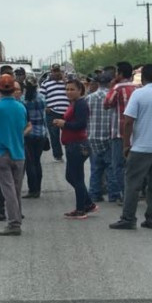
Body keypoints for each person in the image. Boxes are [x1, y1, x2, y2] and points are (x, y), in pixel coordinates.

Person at [110, 64, 152, 231]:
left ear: (143, 77)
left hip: (141, 147)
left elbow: (128, 121)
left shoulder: (138, 94)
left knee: (132, 183)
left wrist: (126, 144)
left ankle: (128, 218)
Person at [0, 74, 29, 236]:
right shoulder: (21, 108)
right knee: (16, 189)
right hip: (19, 153)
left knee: (8, 190)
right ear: (13, 89)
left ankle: (13, 223)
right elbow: (24, 126)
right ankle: (17, 219)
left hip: (1, 153)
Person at [54, 78, 94, 218]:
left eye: (72, 89)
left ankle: (81, 209)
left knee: (75, 177)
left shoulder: (81, 104)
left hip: (78, 144)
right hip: (72, 144)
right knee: (72, 176)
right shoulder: (74, 104)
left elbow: (81, 124)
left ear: (80, 90)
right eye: (67, 89)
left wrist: (64, 124)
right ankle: (88, 203)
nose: (69, 92)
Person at [104, 61, 137, 201]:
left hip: (119, 132)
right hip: (136, 132)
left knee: (118, 165)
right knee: (134, 165)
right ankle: (136, 191)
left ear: (121, 74)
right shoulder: (137, 88)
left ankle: (125, 194)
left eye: (117, 72)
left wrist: (111, 87)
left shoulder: (117, 88)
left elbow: (106, 104)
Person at [85, 74, 117, 204]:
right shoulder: (113, 97)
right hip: (109, 136)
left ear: (98, 83)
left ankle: (94, 194)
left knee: (96, 168)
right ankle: (114, 194)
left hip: (93, 137)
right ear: (110, 83)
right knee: (111, 167)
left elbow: (86, 117)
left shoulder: (89, 98)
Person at [40, 64, 68, 161]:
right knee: (54, 135)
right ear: (51, 72)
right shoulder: (45, 84)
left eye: (58, 71)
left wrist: (65, 81)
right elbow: (41, 98)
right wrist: (45, 107)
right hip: (52, 113)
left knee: (69, 134)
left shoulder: (67, 83)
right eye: (54, 71)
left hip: (67, 113)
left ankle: (70, 152)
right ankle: (58, 155)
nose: (56, 73)